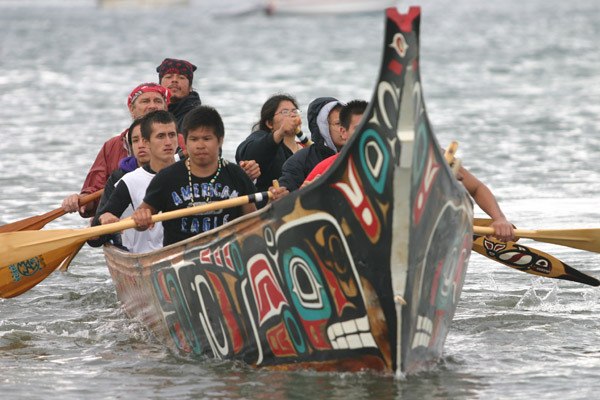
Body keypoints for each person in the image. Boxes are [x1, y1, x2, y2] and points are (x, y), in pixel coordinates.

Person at [132, 105, 288, 247]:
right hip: (178, 263)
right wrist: (141, 218)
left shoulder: (236, 174)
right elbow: (141, 220)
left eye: (207, 139)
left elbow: (254, 224)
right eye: (193, 139)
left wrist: (272, 206)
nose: (200, 145)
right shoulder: (167, 178)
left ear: (220, 140)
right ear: (185, 142)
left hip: (229, 256)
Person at [62, 82, 171, 217]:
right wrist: (81, 200)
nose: (152, 106)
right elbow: (93, 195)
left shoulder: (181, 142)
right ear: (131, 109)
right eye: (145, 101)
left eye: (158, 101)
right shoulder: (112, 148)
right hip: (120, 222)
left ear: (166, 108)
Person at [93, 110, 179, 252]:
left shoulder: (192, 172)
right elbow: (95, 240)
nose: (168, 142)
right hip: (147, 256)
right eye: (161, 136)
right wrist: (103, 219)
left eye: (172, 135)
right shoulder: (129, 181)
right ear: (147, 142)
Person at [235, 94, 303, 192]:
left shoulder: (307, 149)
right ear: (270, 123)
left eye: (294, 111)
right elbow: (246, 152)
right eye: (285, 112)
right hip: (270, 203)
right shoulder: (261, 138)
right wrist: (280, 133)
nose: (292, 115)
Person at [278, 97, 345, 191]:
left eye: (347, 122)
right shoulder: (298, 162)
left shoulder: (362, 153)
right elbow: (284, 199)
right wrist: (304, 192)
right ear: (323, 127)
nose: (344, 128)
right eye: (338, 123)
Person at [303, 99, 368, 185]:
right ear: (343, 132)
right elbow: (299, 198)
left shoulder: (390, 161)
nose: (366, 132)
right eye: (358, 128)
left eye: (369, 126)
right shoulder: (323, 170)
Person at [156, 58, 202, 133]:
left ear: (190, 87)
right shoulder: (152, 111)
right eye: (168, 77)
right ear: (159, 84)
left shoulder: (197, 117)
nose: (174, 80)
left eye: (181, 77)